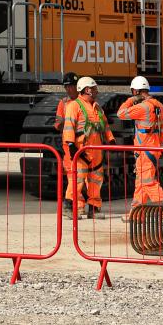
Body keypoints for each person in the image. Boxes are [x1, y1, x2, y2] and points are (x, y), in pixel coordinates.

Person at [56, 75, 109, 218]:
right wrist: (71, 144)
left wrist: (111, 139)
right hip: (81, 150)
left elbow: (104, 125)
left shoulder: (96, 106)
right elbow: (68, 127)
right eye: (94, 88)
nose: (97, 91)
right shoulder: (74, 105)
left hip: (96, 151)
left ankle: (94, 208)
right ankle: (69, 207)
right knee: (77, 180)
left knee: (96, 180)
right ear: (87, 90)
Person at [117, 75, 163, 208]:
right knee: (141, 182)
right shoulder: (159, 106)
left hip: (145, 150)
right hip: (153, 148)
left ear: (135, 91)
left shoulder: (142, 107)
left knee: (148, 182)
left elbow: (120, 113)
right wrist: (156, 145)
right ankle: (136, 213)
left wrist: (131, 99)